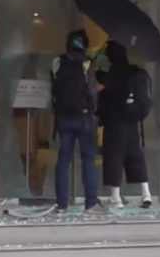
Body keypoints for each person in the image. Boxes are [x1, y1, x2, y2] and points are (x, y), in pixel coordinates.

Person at [51, 29, 105, 213]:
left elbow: (54, 89)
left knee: (63, 159)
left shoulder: (57, 63)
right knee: (88, 159)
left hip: (63, 118)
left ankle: (61, 203)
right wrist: (93, 106)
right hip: (84, 118)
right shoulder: (87, 64)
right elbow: (91, 92)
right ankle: (90, 203)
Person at [97, 40, 153, 209]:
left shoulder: (113, 74)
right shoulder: (134, 72)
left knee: (114, 157)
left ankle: (116, 197)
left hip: (115, 123)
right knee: (135, 157)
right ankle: (146, 194)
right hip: (132, 123)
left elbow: (104, 95)